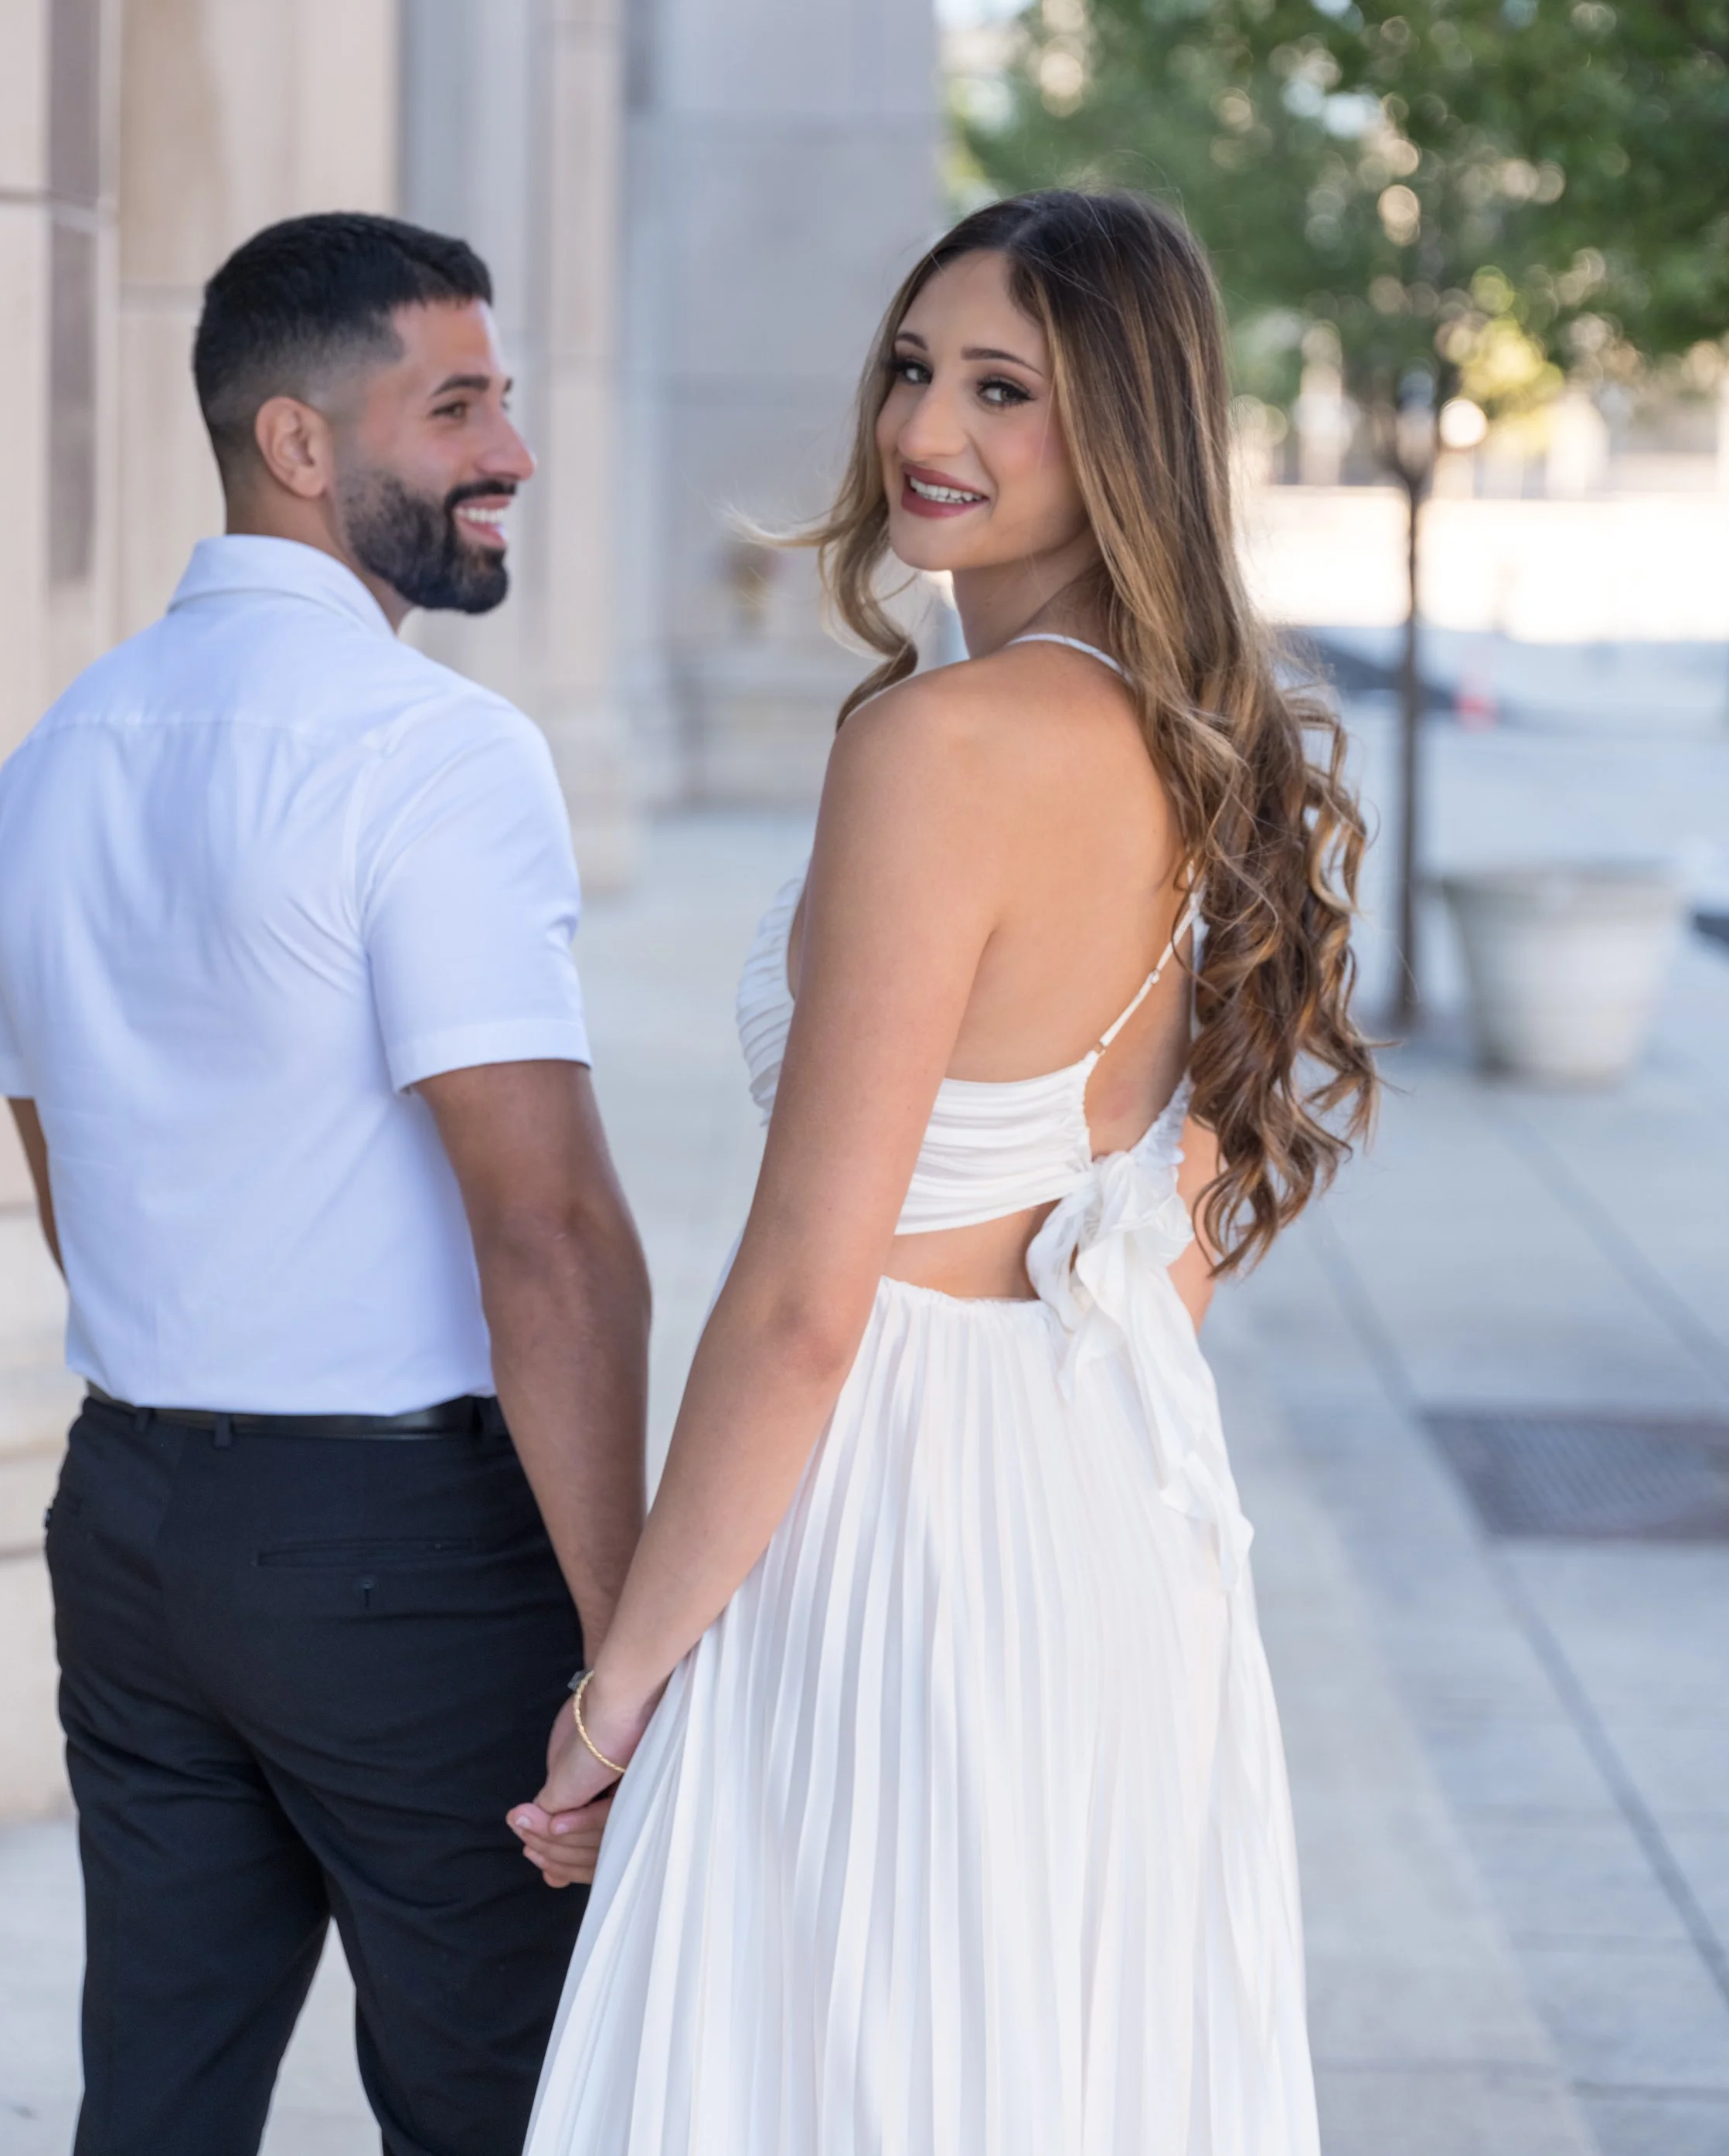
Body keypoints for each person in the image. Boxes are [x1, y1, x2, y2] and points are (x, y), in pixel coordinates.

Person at [512, 189, 1377, 2154]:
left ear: (1125, 434)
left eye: (1007, 389)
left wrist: (616, 1688)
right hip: (1106, 1508)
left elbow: (809, 1294)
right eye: (914, 365)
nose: (928, 429)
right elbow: (1179, 1225)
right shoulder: (1202, 739)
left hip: (895, 1502)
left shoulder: (941, 745)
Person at [0, 213, 650, 2156]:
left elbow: (64, 1178)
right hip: (404, 1546)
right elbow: (552, 1231)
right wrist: (621, 1654)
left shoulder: (49, 757)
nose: (509, 447)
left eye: (503, 395)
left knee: (161, 2099)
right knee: (503, 2097)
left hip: (131, 1519)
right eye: (455, 405)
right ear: (294, 440)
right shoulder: (432, 755)